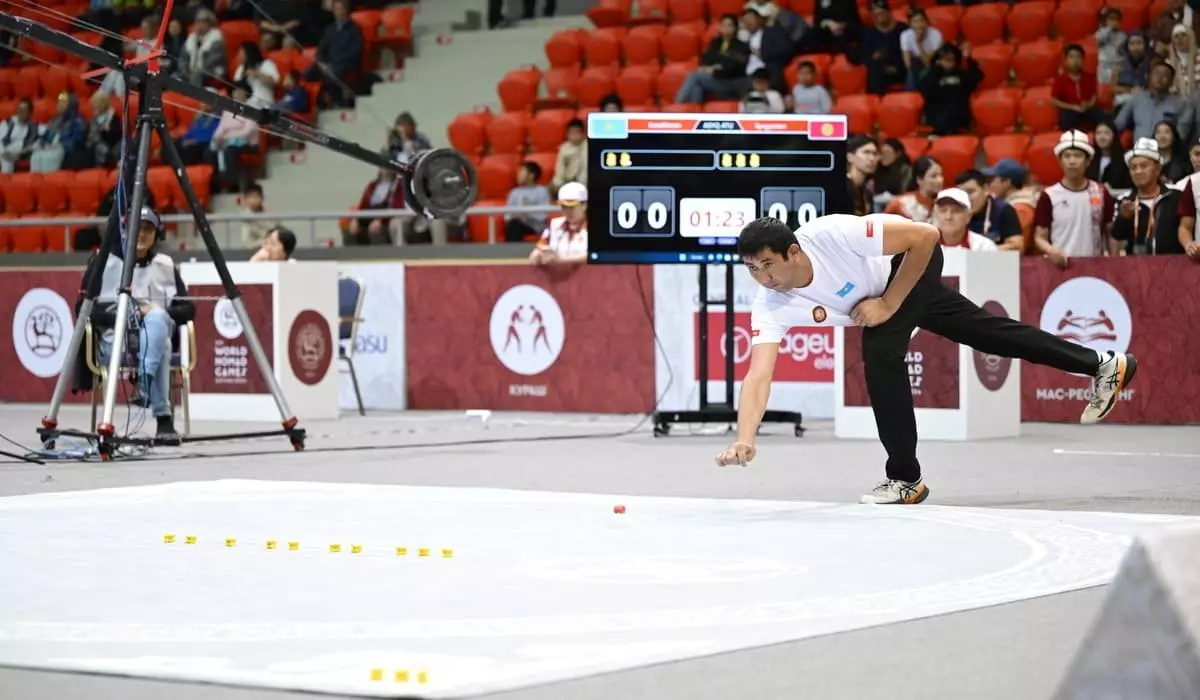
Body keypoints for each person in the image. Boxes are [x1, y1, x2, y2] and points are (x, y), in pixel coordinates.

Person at [715, 213, 1138, 505]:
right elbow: (758, 374)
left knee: (880, 352)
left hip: (910, 264)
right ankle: (1101, 363)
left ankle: (905, 479)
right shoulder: (770, 303)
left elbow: (926, 236)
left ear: (792, 251)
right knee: (988, 333)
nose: (763, 277)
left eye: (767, 264)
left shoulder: (832, 235)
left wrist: (887, 302)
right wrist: (745, 439)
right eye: (752, 269)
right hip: (889, 289)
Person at [79, 207, 196, 439]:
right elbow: (82, 310)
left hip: (154, 335)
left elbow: (188, 309)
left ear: (157, 234)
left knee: (158, 321)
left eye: (148, 229)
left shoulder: (165, 264)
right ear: (123, 231)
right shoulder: (103, 262)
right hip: (115, 341)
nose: (141, 234)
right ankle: (163, 419)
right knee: (160, 343)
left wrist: (155, 312)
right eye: (136, 229)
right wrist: (130, 315)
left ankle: (143, 381)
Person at [529, 181, 587, 267]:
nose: (567, 211)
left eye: (572, 207)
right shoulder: (554, 225)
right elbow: (540, 247)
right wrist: (537, 256)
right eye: (564, 207)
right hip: (558, 277)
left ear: (584, 205)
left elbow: (599, 255)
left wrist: (563, 260)